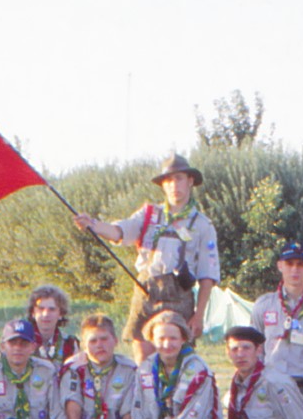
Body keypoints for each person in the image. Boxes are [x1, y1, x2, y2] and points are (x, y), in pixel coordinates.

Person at [71, 153, 221, 362]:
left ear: (190, 181)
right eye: (168, 180)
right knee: (143, 360)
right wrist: (93, 225)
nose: (174, 185)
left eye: (179, 179)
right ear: (163, 186)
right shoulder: (149, 214)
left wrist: (199, 315)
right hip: (146, 292)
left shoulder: (203, 225)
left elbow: (208, 275)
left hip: (179, 295)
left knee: (176, 361)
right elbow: (120, 231)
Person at [248, 242, 303, 419]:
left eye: (300, 264)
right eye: (289, 263)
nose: (295, 269)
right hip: (271, 387)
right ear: (280, 265)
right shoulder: (264, 305)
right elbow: (254, 348)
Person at [132, 310, 218, 419]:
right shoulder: (146, 368)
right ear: (152, 339)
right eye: (161, 338)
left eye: (173, 338)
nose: (167, 344)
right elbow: (141, 416)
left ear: (183, 339)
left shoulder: (199, 371)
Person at [28, 284, 79, 366]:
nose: (45, 314)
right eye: (41, 309)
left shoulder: (70, 344)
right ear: (33, 312)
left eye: (52, 309)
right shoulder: (22, 341)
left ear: (61, 314)